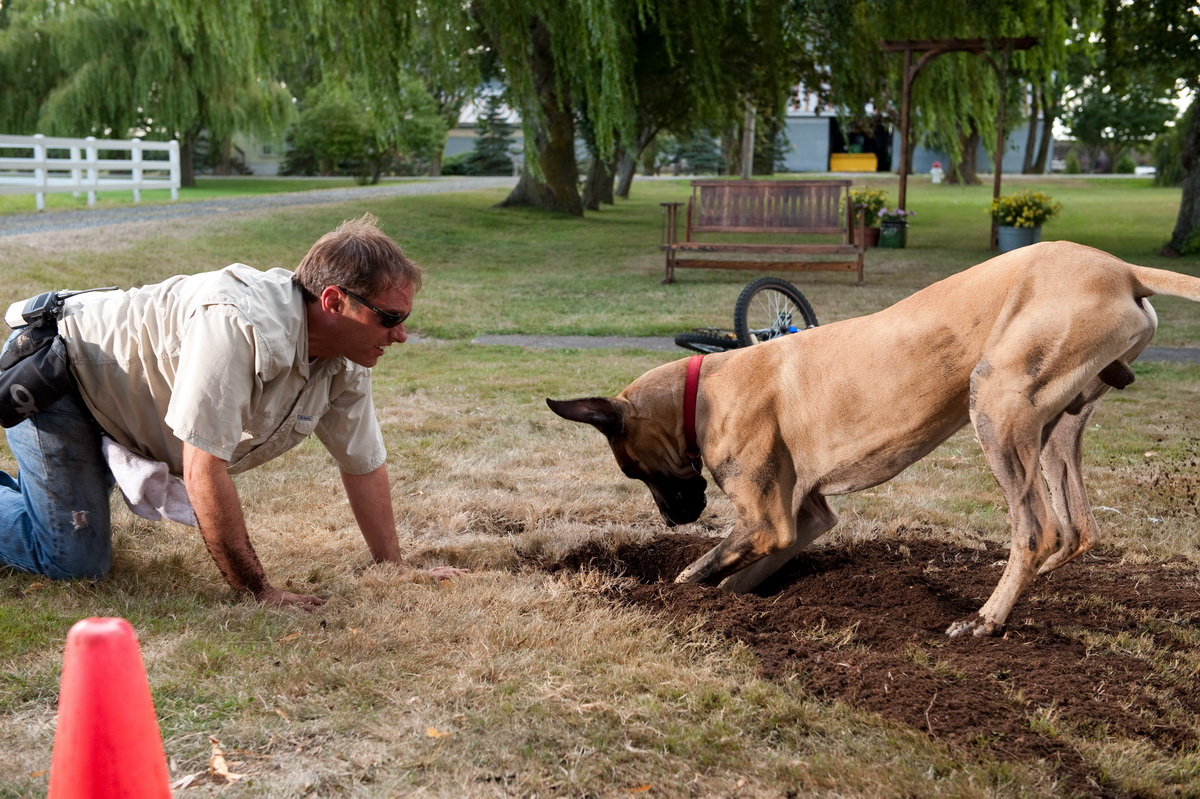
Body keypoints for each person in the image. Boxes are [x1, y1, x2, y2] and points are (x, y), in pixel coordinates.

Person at [0, 213, 463, 608]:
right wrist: (258, 590)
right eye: (390, 318)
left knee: (65, 520)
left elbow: (362, 463)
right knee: (72, 560)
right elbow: (204, 468)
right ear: (333, 301)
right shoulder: (236, 324)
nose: (400, 335)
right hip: (62, 377)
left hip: (119, 404)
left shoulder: (345, 356)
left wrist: (395, 568)